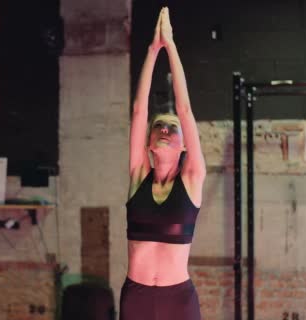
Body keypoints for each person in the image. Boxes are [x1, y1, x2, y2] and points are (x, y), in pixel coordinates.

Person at [120, 7, 206, 320]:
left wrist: (169, 46)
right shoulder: (138, 174)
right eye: (159, 126)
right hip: (137, 297)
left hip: (178, 300)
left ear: (185, 145)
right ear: (149, 142)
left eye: (172, 127)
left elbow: (184, 109)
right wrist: (150, 50)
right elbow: (139, 110)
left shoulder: (193, 177)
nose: (165, 129)